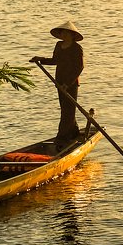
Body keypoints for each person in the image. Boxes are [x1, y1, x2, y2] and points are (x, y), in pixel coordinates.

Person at [30, 21, 85, 150]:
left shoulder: (76, 48)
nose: (64, 35)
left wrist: (68, 83)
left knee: (68, 110)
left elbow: (79, 67)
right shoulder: (59, 45)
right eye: (62, 33)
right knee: (65, 109)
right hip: (59, 81)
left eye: (66, 33)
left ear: (72, 35)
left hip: (70, 83)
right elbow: (55, 60)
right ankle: (74, 132)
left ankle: (62, 138)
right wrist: (40, 59)